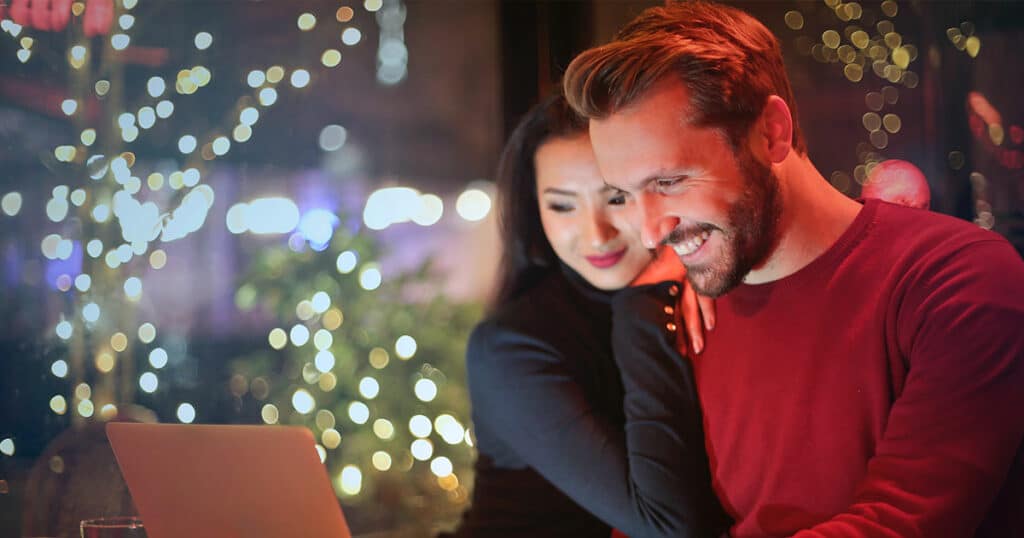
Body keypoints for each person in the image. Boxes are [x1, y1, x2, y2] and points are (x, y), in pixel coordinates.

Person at [563, 2, 1024, 536]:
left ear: (772, 133)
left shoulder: (955, 281)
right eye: (625, 194)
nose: (649, 232)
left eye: (668, 182)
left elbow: (897, 524)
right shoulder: (685, 304)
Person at [452, 94, 731, 537]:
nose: (596, 234)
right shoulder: (509, 347)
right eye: (562, 205)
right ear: (534, 209)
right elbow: (670, 528)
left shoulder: (705, 291)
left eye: (616, 199)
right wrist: (648, 296)